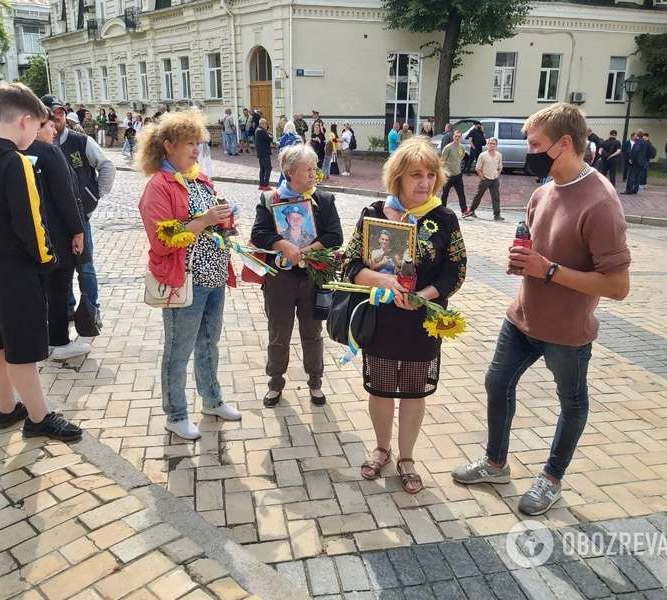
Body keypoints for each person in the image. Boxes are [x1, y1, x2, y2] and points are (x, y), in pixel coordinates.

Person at [451, 102, 631, 516]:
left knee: (572, 402)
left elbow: (618, 286)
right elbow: (534, 247)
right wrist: (524, 259)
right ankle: (495, 463)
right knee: (497, 383)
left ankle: (551, 478)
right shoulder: (543, 190)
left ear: (564, 144)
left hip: (567, 331)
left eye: (534, 144)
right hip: (522, 318)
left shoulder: (601, 202)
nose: (527, 150)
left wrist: (547, 270)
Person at [0, 82, 82, 441]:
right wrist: (48, 262)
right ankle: (39, 418)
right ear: (26, 121)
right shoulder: (15, 162)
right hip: (8, 264)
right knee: (22, 346)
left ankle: (6, 409)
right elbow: (31, 222)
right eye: (39, 125)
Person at [343, 136, 466, 494]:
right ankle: (382, 448)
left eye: (430, 175)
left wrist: (423, 297)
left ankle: (407, 457)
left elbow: (455, 271)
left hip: (420, 322)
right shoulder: (373, 215)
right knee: (381, 389)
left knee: (413, 392)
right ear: (398, 178)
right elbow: (349, 264)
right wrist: (382, 279)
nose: (424, 182)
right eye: (416, 175)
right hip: (381, 321)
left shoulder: (443, 219)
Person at [136, 109, 243, 439]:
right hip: (184, 280)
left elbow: (212, 221)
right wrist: (207, 219)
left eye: (198, 143)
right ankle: (176, 413)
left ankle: (211, 400)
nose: (196, 150)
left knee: (209, 344)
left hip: (213, 277)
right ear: (168, 146)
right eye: (189, 143)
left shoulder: (199, 178)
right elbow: (163, 239)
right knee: (178, 350)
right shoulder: (159, 186)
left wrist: (226, 217)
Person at [250, 144, 343, 408]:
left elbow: (335, 236)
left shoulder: (323, 201)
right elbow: (259, 233)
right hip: (279, 279)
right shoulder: (271, 200)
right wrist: (284, 245)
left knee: (312, 333)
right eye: (309, 169)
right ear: (290, 172)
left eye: (315, 168)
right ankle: (275, 383)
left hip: (312, 278)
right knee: (278, 333)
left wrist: (305, 250)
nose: (315, 174)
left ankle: (315, 383)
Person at [42, 95, 115, 321]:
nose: (57, 117)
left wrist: (94, 197)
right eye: (52, 113)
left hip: (79, 217)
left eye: (60, 112)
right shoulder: (37, 146)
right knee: (57, 266)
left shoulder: (80, 141)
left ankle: (91, 310)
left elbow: (107, 166)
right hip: (51, 221)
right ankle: (67, 307)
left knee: (85, 267)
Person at [27, 108, 91, 360]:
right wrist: (78, 230)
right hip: (56, 235)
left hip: (30, 235)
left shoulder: (15, 151)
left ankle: (41, 339)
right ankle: (58, 341)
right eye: (48, 126)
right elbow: (66, 197)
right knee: (59, 290)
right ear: (35, 127)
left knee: (39, 291)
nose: (53, 130)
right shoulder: (49, 152)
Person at [469, 137, 504, 220]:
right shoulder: (483, 155)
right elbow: (477, 168)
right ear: (487, 144)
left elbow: (500, 167)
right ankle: (471, 211)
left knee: (496, 197)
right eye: (490, 143)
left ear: (496, 145)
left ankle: (497, 215)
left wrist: (497, 175)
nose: (492, 145)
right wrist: (482, 177)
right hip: (485, 179)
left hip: (494, 179)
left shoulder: (499, 155)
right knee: (478, 195)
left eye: (494, 144)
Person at [440, 130, 469, 216]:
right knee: (445, 193)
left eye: (459, 136)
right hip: (448, 175)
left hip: (458, 174)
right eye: (455, 136)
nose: (457, 138)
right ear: (453, 137)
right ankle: (442, 210)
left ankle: (464, 211)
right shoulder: (448, 147)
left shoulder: (462, 147)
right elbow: (442, 161)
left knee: (461, 193)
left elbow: (461, 156)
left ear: (461, 138)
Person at [277, 121, 302, 186]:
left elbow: (280, 149)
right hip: (294, 160)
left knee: (283, 176)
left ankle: (281, 190)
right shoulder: (298, 138)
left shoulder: (282, 138)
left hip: (284, 160)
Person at [624, 129, 647, 194]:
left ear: (637, 134)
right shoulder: (645, 142)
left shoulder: (638, 142)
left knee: (631, 176)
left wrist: (631, 159)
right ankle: (635, 189)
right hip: (642, 162)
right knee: (638, 176)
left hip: (635, 161)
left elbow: (636, 150)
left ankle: (629, 190)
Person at [255, 118, 274, 191]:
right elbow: (270, 139)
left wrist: (267, 132)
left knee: (262, 169)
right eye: (266, 124)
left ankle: (261, 184)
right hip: (264, 153)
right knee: (268, 168)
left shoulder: (258, 130)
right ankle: (266, 185)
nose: (267, 125)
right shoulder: (262, 131)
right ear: (263, 124)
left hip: (261, 153)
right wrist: (271, 135)